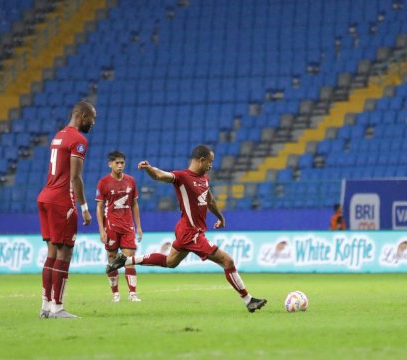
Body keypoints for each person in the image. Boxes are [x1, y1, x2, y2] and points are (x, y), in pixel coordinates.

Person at [106, 145, 267, 313]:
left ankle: (126, 261)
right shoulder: (182, 177)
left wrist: (220, 217)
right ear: (201, 160)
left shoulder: (204, 178)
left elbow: (210, 200)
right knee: (228, 261)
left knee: (170, 262)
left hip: (186, 230)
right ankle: (248, 300)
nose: (211, 165)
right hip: (191, 233)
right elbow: (161, 175)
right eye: (210, 161)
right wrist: (149, 168)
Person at [37, 100, 96, 318]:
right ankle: (58, 308)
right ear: (81, 115)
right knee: (65, 252)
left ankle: (46, 306)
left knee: (52, 252)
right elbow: (75, 177)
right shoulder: (78, 140)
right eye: (92, 118)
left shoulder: (58, 135)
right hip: (61, 200)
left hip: (45, 197)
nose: (93, 123)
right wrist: (84, 207)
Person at [96, 150, 143, 302]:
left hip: (128, 226)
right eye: (117, 163)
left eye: (122, 162)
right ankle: (115, 294)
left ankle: (132, 294)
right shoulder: (103, 183)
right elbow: (99, 207)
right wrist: (102, 229)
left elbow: (135, 204)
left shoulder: (131, 181)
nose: (120, 165)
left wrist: (139, 227)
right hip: (111, 226)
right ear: (110, 164)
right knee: (112, 258)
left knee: (128, 258)